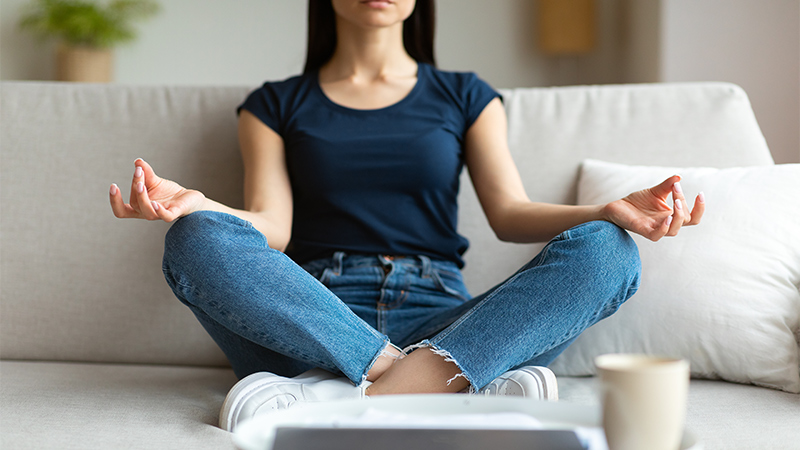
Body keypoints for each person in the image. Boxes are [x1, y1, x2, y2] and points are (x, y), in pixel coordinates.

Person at [109, 0, 704, 432]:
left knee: (609, 249)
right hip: (315, 318)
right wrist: (198, 204)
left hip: (448, 320)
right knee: (194, 237)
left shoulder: (463, 94)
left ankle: (335, 395)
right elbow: (273, 227)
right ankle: (445, 387)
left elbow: (510, 214)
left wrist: (606, 211)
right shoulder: (274, 104)